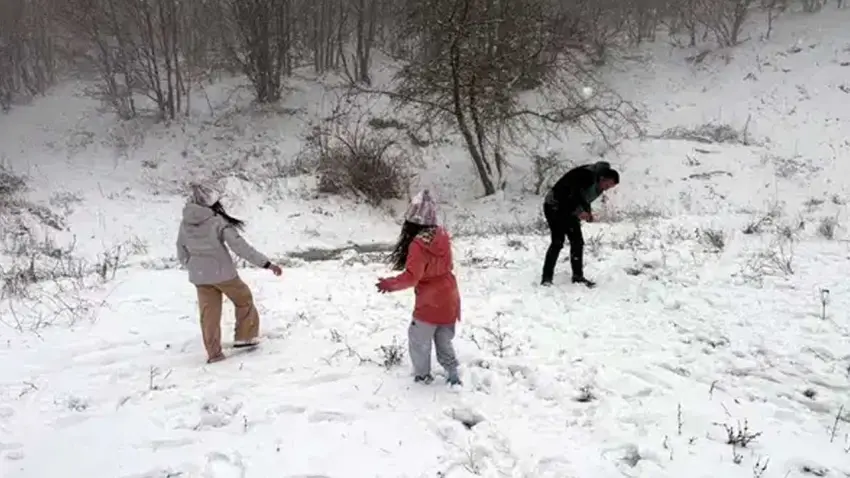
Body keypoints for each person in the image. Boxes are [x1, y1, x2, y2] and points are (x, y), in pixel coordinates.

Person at [176, 183, 282, 364]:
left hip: (200, 276)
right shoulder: (217, 221)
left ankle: (214, 354)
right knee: (243, 299)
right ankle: (245, 337)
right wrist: (266, 263)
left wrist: (192, 265)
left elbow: (181, 248)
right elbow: (240, 247)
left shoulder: (185, 222)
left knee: (208, 315)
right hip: (223, 273)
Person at [376, 190, 462, 386]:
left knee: (419, 340)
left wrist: (390, 284)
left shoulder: (418, 244)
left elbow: (412, 278)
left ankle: (423, 376)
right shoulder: (442, 234)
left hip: (430, 300)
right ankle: (453, 373)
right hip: (450, 295)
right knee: (444, 339)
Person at [541, 161, 619, 288]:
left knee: (577, 241)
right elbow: (572, 195)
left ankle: (578, 277)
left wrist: (588, 213)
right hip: (554, 205)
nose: (607, 188)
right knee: (557, 241)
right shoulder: (585, 176)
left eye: (610, 187)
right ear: (602, 177)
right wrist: (579, 211)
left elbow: (584, 198)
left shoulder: (597, 185)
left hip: (568, 208)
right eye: (607, 184)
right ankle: (546, 278)